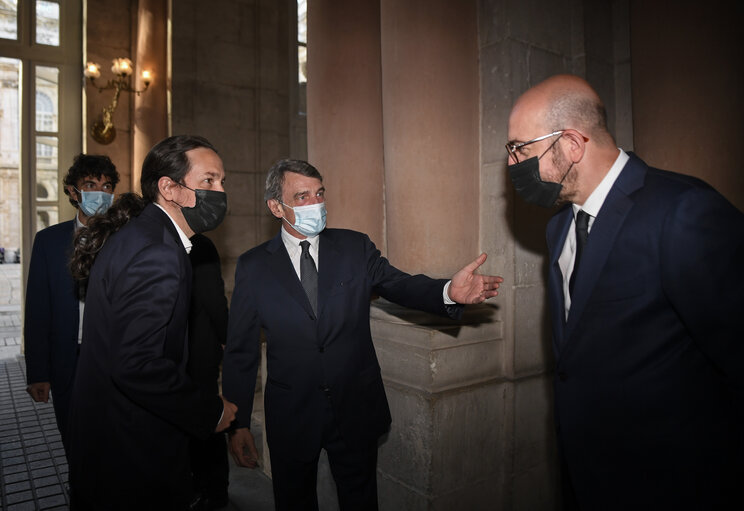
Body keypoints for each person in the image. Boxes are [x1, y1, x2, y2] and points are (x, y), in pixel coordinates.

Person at [505, 74, 744, 510]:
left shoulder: (683, 211)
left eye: (520, 148)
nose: (512, 165)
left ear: (573, 144)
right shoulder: (559, 226)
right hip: (587, 476)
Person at [223, 159, 504, 510]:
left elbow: (399, 284)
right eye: (302, 196)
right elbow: (240, 350)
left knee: (361, 500)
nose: (315, 204)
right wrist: (238, 423)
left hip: (354, 406)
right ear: (276, 207)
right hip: (292, 414)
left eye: (319, 193)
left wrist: (447, 291)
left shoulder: (354, 248)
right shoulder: (254, 266)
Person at [65, 135, 237, 510]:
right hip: (129, 449)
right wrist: (210, 410)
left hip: (112, 438)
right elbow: (137, 364)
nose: (220, 191)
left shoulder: (146, 236)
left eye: (223, 182)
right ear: (169, 188)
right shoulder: (158, 252)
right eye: (208, 181)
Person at [24, 153, 119, 455]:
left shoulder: (125, 239)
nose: (100, 193)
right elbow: (38, 310)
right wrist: (38, 371)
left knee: (115, 440)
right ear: (72, 191)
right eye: (90, 184)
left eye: (106, 186)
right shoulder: (48, 242)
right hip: (69, 361)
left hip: (114, 357)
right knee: (74, 439)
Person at [187, 233, 230, 511]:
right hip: (175, 358)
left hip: (198, 355)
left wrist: (228, 338)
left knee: (206, 424)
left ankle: (213, 491)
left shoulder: (200, 245)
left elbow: (215, 301)